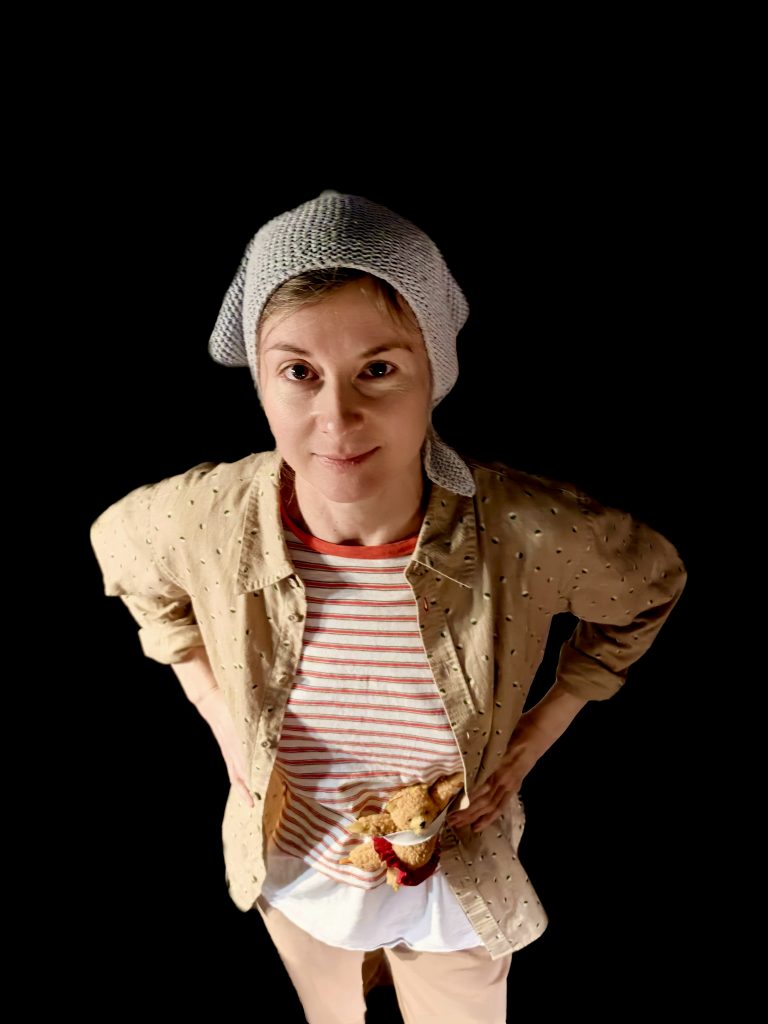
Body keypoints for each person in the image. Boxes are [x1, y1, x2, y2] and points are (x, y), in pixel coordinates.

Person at [89, 190, 687, 1024]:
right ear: (260, 380)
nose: (335, 417)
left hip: (456, 882)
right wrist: (222, 719)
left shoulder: (522, 531)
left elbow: (647, 586)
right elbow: (123, 555)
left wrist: (537, 735)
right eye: (298, 372)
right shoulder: (209, 516)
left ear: (433, 371)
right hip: (297, 871)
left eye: (378, 369)